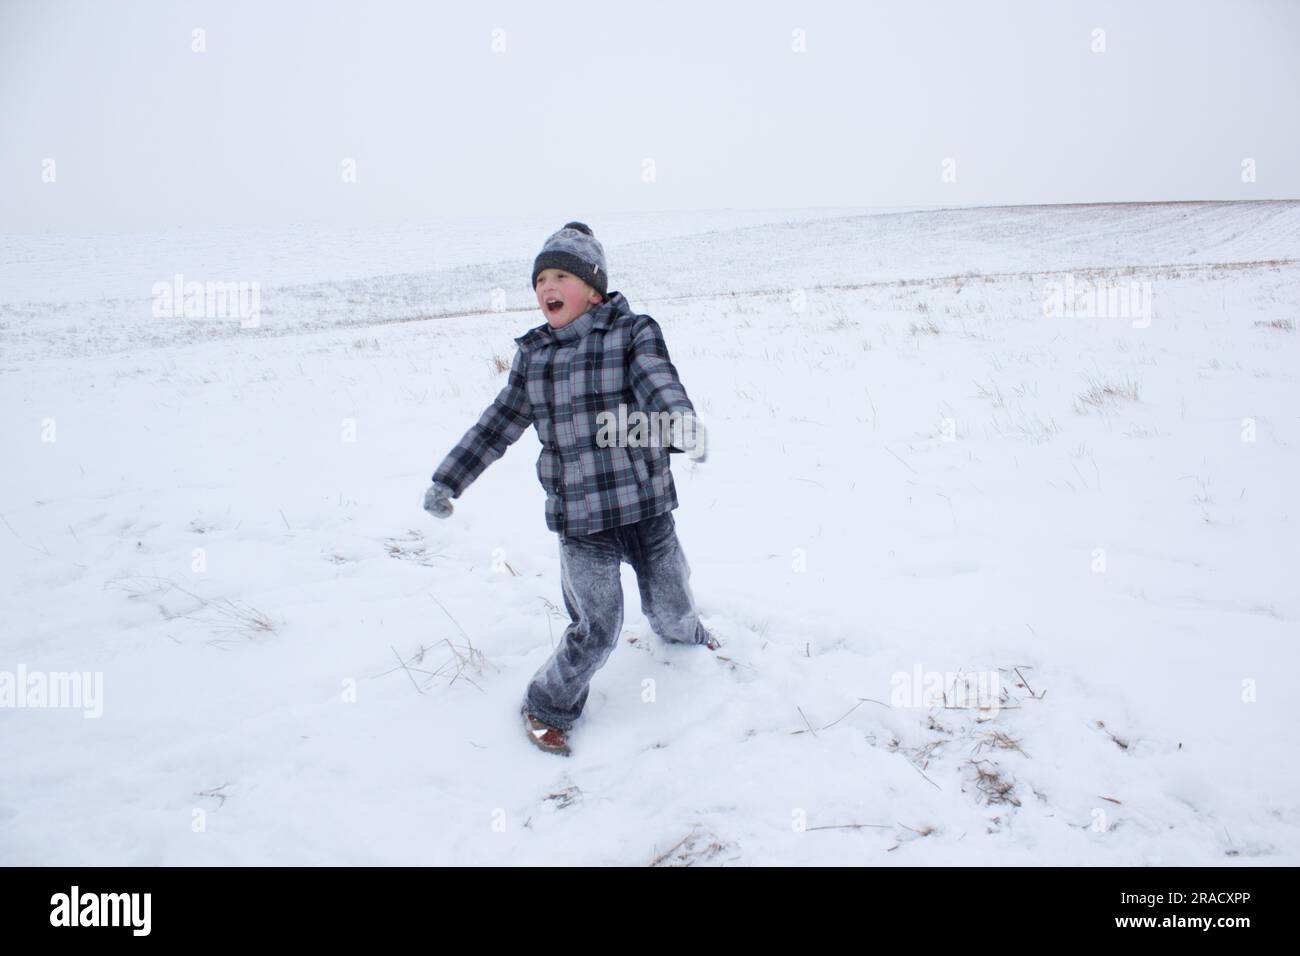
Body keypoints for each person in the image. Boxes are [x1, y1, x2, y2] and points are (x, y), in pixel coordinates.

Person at [423, 221, 716, 756]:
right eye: (539, 281)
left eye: (560, 276)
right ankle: (548, 704)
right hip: (582, 522)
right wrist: (449, 477)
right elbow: (497, 425)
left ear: (594, 288)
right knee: (597, 626)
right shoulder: (535, 358)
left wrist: (677, 422)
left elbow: (659, 380)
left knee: (673, 605)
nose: (546, 288)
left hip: (647, 507)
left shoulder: (632, 332)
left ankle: (687, 645)